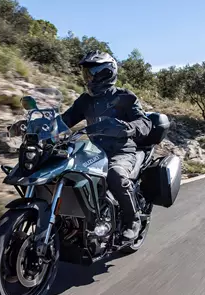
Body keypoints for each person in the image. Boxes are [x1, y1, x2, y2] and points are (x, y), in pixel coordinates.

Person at [61, 51, 151, 241]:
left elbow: (144, 122)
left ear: (107, 73)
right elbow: (65, 120)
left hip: (121, 151)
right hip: (93, 151)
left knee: (116, 175)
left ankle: (132, 220)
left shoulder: (124, 96)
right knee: (66, 172)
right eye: (87, 73)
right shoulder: (85, 100)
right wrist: (42, 128)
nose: (89, 77)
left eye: (93, 72)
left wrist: (127, 128)